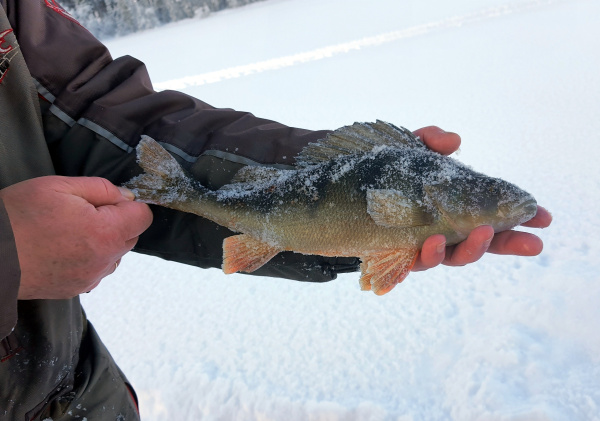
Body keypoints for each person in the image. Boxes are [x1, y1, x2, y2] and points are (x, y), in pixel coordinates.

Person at [0, 1, 552, 419]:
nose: (498, 202)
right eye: (487, 194)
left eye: (488, 192)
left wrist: (287, 171)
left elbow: (88, 102)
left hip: (78, 390)